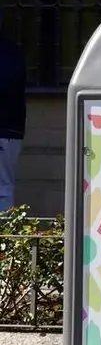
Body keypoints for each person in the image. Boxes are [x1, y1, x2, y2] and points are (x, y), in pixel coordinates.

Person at [0, 18, 26, 212]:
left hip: (5, 129)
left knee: (3, 188)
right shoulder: (11, 51)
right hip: (8, 130)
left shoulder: (7, 53)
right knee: (3, 188)